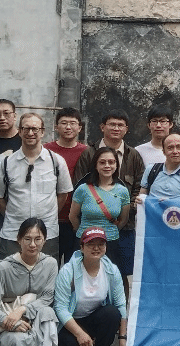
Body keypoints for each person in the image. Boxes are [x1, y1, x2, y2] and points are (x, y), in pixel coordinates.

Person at [0, 112, 72, 261]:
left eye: (35, 129)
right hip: (13, 233)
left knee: (45, 273)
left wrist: (49, 213)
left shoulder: (56, 161)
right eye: (26, 128)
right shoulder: (6, 163)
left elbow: (63, 195)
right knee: (9, 273)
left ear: (42, 132)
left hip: (47, 234)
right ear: (20, 131)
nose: (30, 133)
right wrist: (13, 214)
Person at [0, 217, 60, 346]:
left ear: (45, 240)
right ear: (19, 240)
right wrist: (9, 321)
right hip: (7, 319)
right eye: (27, 239)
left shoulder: (50, 264)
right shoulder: (4, 267)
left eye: (38, 239)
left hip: (34, 318)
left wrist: (23, 310)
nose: (33, 244)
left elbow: (47, 297)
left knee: (48, 313)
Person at [75, 110, 145, 269]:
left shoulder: (133, 155)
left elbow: (139, 186)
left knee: (119, 272)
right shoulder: (89, 153)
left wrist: (123, 213)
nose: (116, 128)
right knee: (87, 270)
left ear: (126, 129)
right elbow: (79, 185)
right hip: (90, 227)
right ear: (102, 127)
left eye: (120, 125)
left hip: (124, 227)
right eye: (112, 124)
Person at [54, 227, 128, 346]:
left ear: (106, 247)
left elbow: (120, 304)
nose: (96, 248)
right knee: (67, 344)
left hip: (94, 318)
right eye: (90, 244)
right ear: (81, 247)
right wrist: (80, 334)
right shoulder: (68, 271)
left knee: (112, 313)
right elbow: (60, 308)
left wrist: (122, 337)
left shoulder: (112, 270)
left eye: (100, 244)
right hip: (71, 321)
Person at [70, 146, 132, 272]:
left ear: (116, 165)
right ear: (96, 165)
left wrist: (110, 231)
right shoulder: (83, 189)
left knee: (109, 278)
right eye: (102, 162)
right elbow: (73, 216)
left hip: (110, 243)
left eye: (111, 162)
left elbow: (123, 220)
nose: (107, 166)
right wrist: (84, 230)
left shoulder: (123, 191)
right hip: (85, 241)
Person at [45, 107, 88, 264]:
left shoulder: (87, 152)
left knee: (74, 266)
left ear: (80, 127)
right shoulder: (46, 150)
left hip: (76, 220)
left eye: (72, 123)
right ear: (56, 127)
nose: (68, 127)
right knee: (49, 264)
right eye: (63, 123)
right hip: (51, 218)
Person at [138, 132, 180, 203]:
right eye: (170, 148)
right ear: (163, 151)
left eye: (179, 147)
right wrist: (139, 202)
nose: (175, 151)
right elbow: (142, 196)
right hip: (153, 210)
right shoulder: (151, 170)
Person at [135, 105, 180, 170]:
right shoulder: (139, 151)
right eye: (154, 121)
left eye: (163, 121)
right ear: (149, 125)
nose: (158, 125)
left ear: (170, 124)